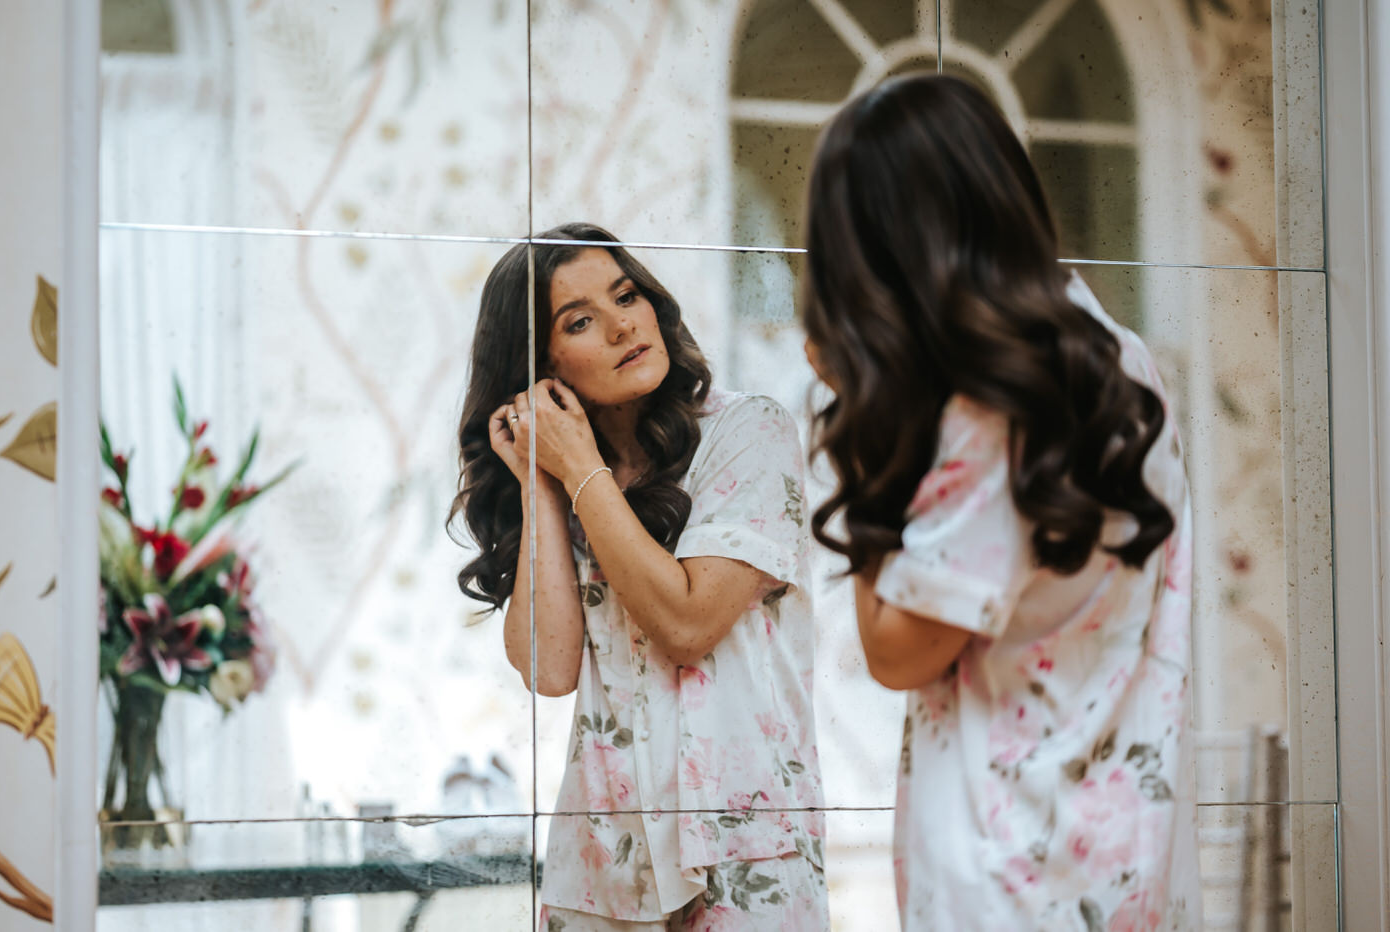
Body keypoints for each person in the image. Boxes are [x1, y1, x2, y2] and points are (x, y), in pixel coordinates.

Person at [800, 74, 1201, 930]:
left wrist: (871, 433)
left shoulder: (990, 414)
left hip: (1006, 868)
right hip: (1115, 853)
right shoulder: (1113, 354)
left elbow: (897, 652)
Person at [449, 223, 828, 931]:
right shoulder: (567, 471)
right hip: (602, 871)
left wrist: (579, 471)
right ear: (542, 366)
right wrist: (540, 481)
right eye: (583, 320)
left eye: (627, 295)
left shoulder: (749, 433)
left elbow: (688, 625)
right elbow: (549, 667)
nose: (624, 324)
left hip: (746, 861)